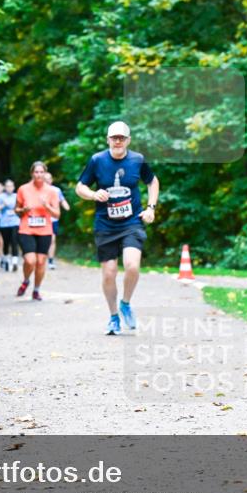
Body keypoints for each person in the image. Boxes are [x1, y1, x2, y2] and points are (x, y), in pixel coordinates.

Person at [76, 121, 159, 335]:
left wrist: (151, 208)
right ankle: (113, 317)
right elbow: (80, 186)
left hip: (131, 222)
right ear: (108, 140)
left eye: (122, 137)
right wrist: (93, 194)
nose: (118, 141)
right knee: (109, 273)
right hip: (105, 225)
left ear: (128, 140)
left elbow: (152, 181)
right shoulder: (97, 160)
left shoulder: (137, 160)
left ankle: (125, 303)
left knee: (132, 266)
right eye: (114, 137)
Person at [14, 162, 61, 300]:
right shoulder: (23, 189)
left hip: (45, 230)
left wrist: (46, 206)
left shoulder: (52, 191)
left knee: (41, 261)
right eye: (36, 172)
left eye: (41, 172)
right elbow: (16, 210)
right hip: (26, 229)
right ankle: (26, 280)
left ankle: (36, 289)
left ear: (45, 173)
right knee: (30, 260)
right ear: (32, 174)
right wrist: (23, 210)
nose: (39, 175)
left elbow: (57, 215)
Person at [44, 171, 71, 269]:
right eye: (45, 179)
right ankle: (42, 259)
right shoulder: (39, 190)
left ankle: (50, 261)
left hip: (53, 219)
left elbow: (62, 199)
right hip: (42, 220)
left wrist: (66, 206)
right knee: (43, 241)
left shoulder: (56, 190)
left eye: (49, 179)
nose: (47, 181)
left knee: (52, 240)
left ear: (51, 180)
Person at [0, 179, 20, 271]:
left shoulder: (17, 196)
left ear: (14, 187)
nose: (9, 188)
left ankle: (15, 262)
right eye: (7, 186)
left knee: (15, 241)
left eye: (11, 186)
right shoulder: (1, 197)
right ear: (5, 188)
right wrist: (3, 205)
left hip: (15, 222)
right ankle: (6, 260)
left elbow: (21, 207)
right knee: (6, 243)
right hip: (4, 224)